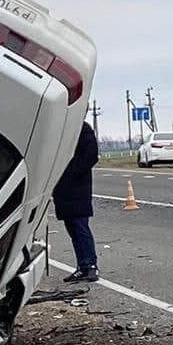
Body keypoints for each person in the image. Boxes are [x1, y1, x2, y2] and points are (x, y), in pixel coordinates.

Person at [53, 121, 100, 282]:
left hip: (77, 185)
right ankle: (82, 266)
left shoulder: (82, 128)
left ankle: (90, 264)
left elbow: (91, 156)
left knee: (80, 226)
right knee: (72, 228)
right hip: (62, 186)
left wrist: (70, 173)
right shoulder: (60, 128)